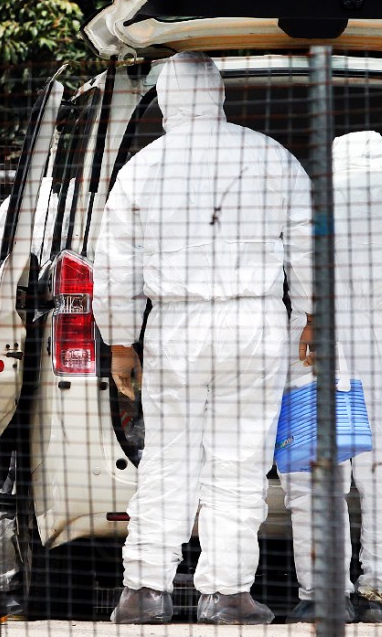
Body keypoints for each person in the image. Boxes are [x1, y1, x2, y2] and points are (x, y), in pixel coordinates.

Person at [94, 51, 312, 625]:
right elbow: (309, 245)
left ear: (166, 100)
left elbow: (115, 264)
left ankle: (144, 589)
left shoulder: (143, 167)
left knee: (168, 455)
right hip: (255, 323)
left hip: (177, 325)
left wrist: (120, 341)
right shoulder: (272, 157)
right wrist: (309, 316)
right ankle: (229, 593)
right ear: (220, 95)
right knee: (240, 459)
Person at [279, 131, 382, 623]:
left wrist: (309, 312)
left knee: (315, 466)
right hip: (376, 334)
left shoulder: (311, 193)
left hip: (311, 338)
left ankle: (322, 594)